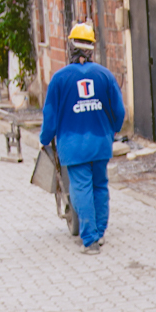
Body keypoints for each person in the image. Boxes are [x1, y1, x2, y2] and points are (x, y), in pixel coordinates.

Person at [40, 23, 126, 255]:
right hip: (100, 142)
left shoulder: (59, 79)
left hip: (73, 145)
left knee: (81, 188)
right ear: (91, 48)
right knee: (100, 185)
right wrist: (112, 131)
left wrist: (45, 138)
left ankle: (90, 240)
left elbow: (50, 116)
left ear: (70, 47)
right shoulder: (105, 76)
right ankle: (100, 232)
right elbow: (119, 112)